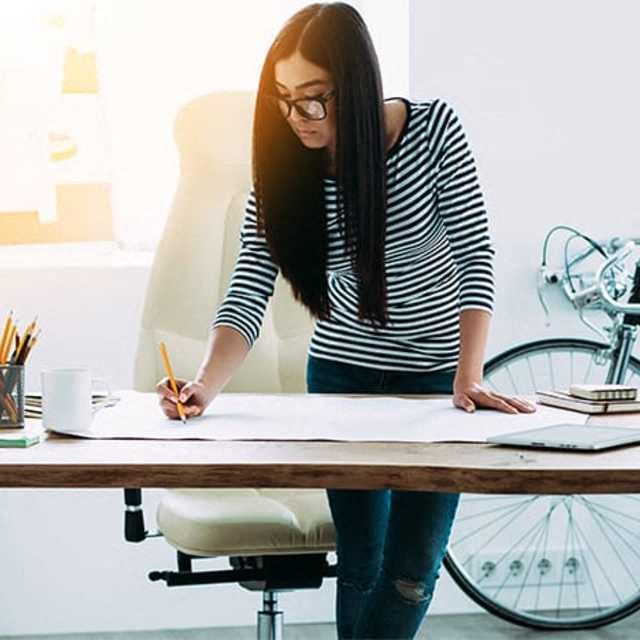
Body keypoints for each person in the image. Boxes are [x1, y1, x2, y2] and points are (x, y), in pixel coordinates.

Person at [156, 3, 536, 638]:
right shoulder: (283, 166)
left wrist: (468, 375)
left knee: (413, 569)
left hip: (434, 383)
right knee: (361, 561)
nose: (297, 117)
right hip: (341, 377)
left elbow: (474, 255)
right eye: (282, 98)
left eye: (313, 98)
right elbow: (251, 282)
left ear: (355, 83)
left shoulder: (434, 131)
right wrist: (203, 384)